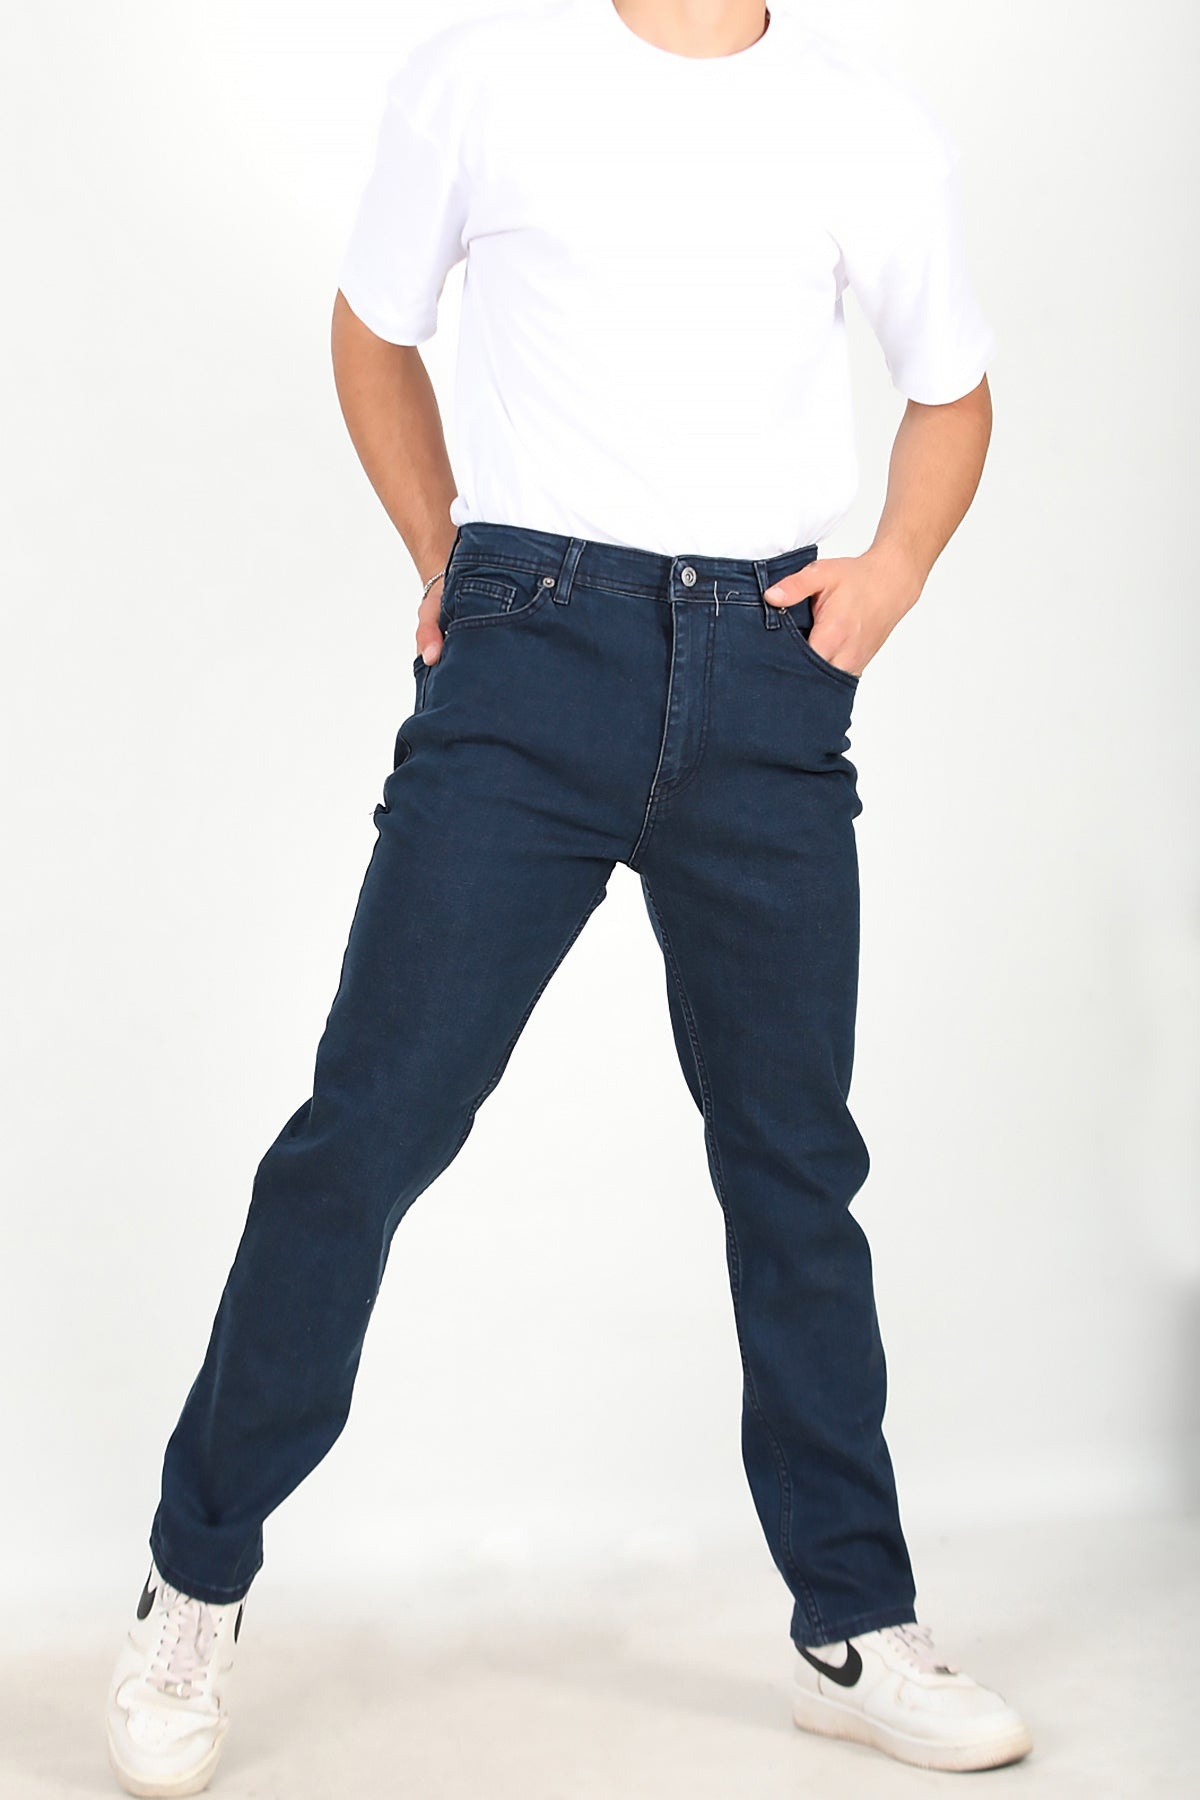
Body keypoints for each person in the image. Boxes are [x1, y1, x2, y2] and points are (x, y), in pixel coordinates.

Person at [105, 1, 1032, 1791]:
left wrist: (892, 572)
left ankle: (853, 1622)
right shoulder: (483, 77)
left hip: (768, 670)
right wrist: (444, 554)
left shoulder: (864, 121)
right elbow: (373, 329)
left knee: (795, 1165)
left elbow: (954, 384)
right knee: (369, 1130)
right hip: (530, 656)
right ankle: (192, 1580)